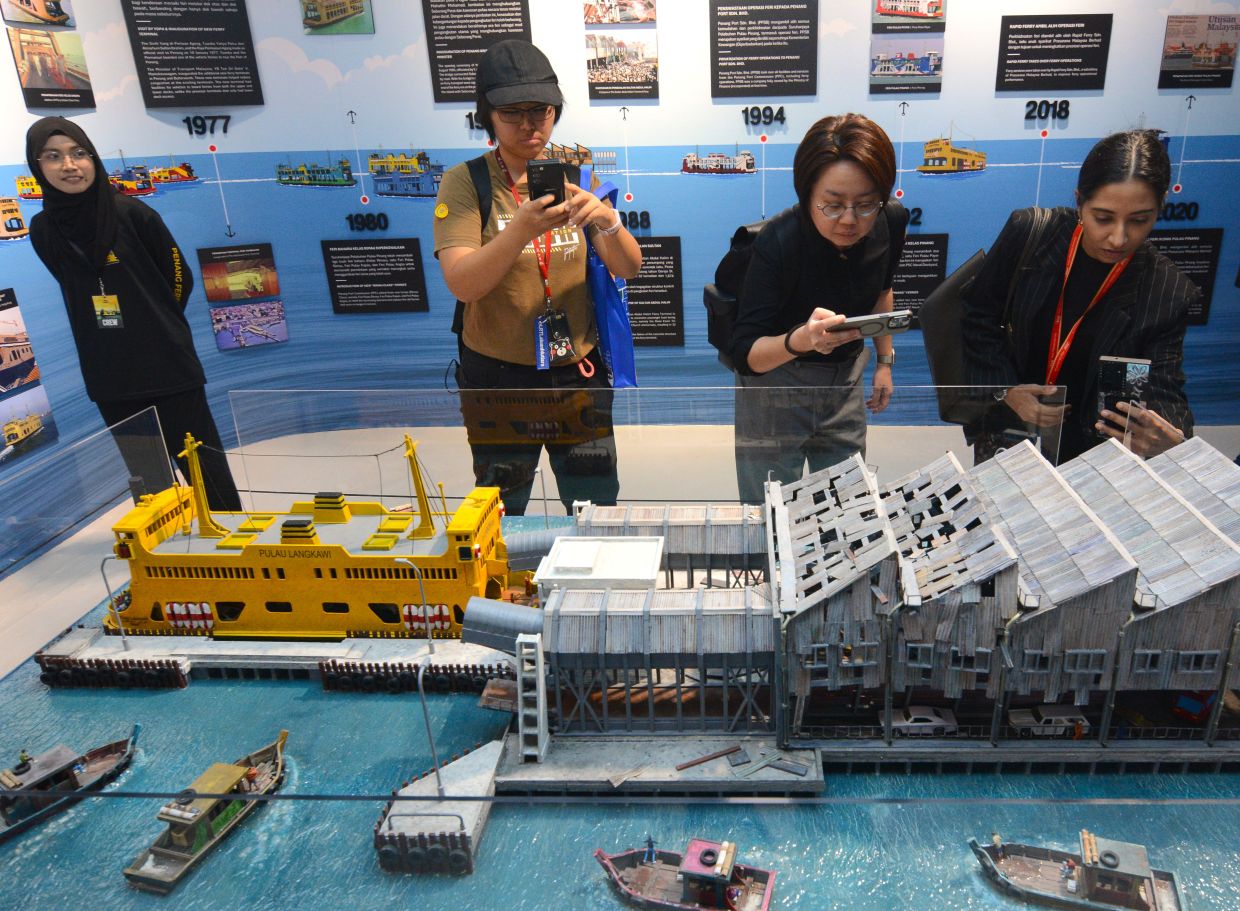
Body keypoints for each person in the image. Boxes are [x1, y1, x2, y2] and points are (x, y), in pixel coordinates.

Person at [433, 40, 641, 515]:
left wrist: (606, 220)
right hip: (499, 383)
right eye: (512, 112)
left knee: (596, 508)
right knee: (503, 511)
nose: (529, 124)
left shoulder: (579, 175)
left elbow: (628, 267)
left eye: (541, 110)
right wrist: (522, 228)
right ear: (487, 115)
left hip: (576, 374)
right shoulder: (467, 183)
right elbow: (464, 283)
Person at [24, 117, 241, 510]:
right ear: (37, 166)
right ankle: (166, 555)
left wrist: (155, 325)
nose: (70, 165)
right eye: (53, 157)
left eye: (79, 153)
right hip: (110, 375)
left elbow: (178, 277)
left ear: (92, 158)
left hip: (168, 366)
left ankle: (234, 546)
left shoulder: (133, 214)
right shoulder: (43, 229)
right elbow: (74, 287)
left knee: (205, 469)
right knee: (151, 483)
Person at [962, 130, 1198, 464]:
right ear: (1079, 202)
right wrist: (1005, 391)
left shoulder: (1167, 291)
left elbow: (1162, 384)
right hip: (1012, 432)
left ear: (1160, 208)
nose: (1118, 238)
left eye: (1139, 220)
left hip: (1096, 455)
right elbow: (977, 317)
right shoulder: (1030, 236)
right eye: (1103, 218)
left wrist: (1174, 437)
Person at [729, 114, 908, 504]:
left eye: (865, 205)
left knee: (846, 511)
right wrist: (801, 340)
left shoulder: (891, 221)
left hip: (844, 383)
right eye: (832, 205)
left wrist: (884, 362)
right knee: (769, 514)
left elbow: (883, 289)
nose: (849, 220)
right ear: (807, 193)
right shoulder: (777, 241)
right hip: (774, 385)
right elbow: (746, 356)